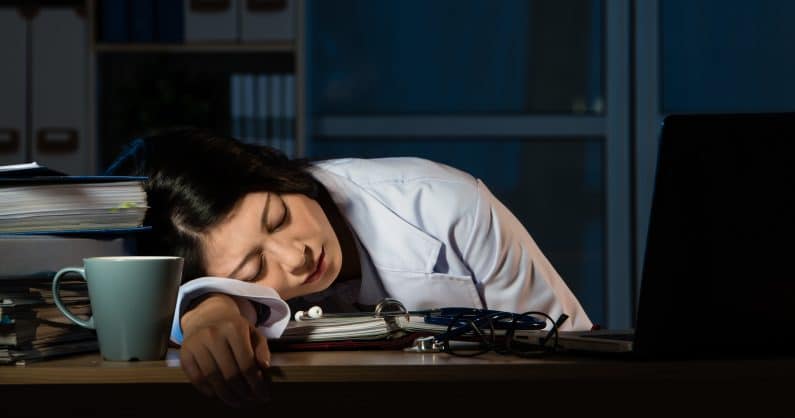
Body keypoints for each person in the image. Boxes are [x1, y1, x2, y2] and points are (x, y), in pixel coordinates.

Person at [105, 128, 593, 407]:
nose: (296, 257)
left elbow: (567, 351)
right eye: (253, 271)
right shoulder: (218, 291)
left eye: (278, 218)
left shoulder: (445, 205)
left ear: (274, 174)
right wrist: (209, 309)